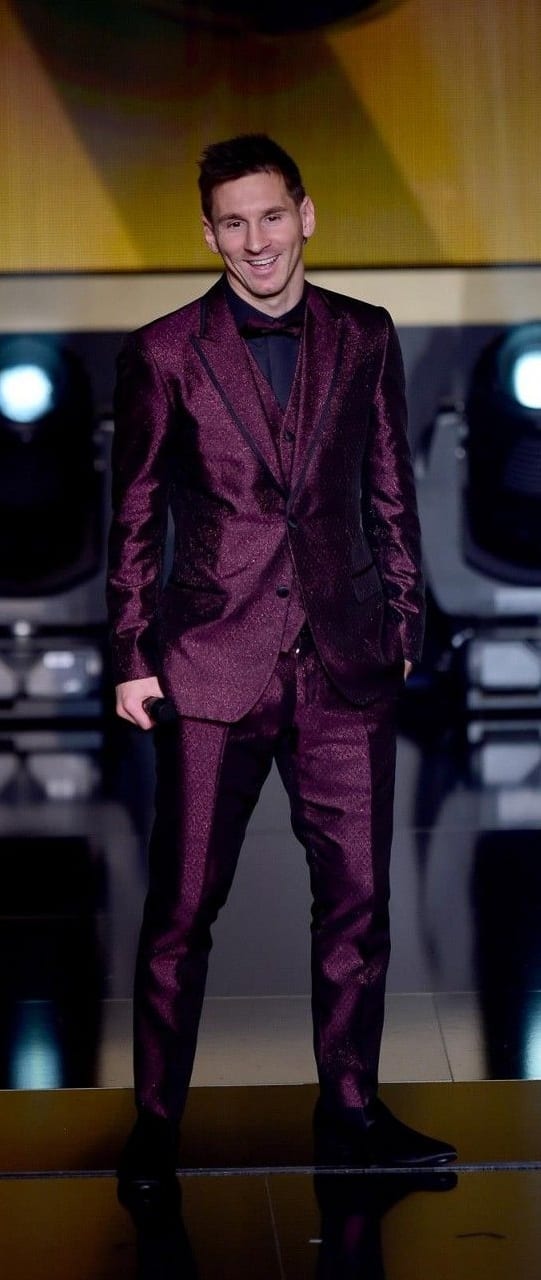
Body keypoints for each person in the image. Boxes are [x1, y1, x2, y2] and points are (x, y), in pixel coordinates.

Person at [107, 133, 456, 1197]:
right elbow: (133, 514)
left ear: (304, 216)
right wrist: (131, 653)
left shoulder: (365, 333)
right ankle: (155, 1124)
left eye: (270, 215)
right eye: (233, 223)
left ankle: (349, 1111)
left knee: (357, 904)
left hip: (346, 662)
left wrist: (404, 622)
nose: (255, 240)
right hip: (211, 664)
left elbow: (388, 487)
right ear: (208, 234)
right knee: (181, 911)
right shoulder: (164, 351)